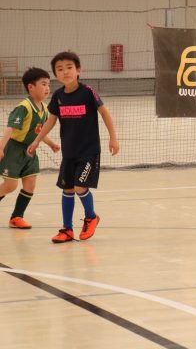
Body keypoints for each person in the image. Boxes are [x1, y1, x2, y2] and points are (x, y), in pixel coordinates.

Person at [27, 51, 119, 243]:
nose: (65, 72)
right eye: (60, 69)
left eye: (69, 67)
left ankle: (91, 217)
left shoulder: (88, 91)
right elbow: (50, 121)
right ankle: (67, 230)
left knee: (79, 187)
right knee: (67, 189)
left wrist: (113, 138)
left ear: (78, 70)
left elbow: (104, 113)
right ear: (56, 75)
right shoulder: (58, 96)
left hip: (88, 151)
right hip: (69, 153)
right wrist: (37, 141)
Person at [0, 68, 60, 228]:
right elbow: (10, 128)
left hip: (30, 150)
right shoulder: (24, 107)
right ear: (31, 87)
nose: (47, 88)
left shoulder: (45, 109)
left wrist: (50, 143)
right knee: (10, 186)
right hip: (14, 149)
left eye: (49, 84)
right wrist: (1, 148)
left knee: (30, 184)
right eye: (43, 84)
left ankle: (16, 217)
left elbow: (39, 131)